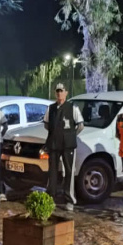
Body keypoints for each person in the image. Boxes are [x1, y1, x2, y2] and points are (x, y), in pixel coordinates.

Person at [43, 83, 84, 211]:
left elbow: (80, 125)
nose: (59, 94)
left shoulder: (72, 108)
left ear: (66, 93)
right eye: (57, 92)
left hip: (68, 146)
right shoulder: (51, 108)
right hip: (54, 145)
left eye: (62, 91)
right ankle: (51, 197)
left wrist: (71, 135)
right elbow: (46, 124)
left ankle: (69, 199)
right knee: (53, 171)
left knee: (69, 172)